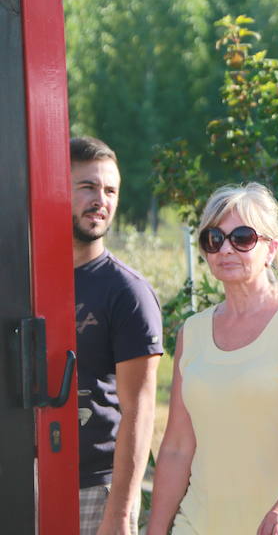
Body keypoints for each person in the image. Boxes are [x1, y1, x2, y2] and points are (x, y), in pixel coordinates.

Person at [147, 183, 278, 535]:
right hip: (200, 524)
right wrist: (156, 529)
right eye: (214, 239)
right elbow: (176, 448)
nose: (226, 249)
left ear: (271, 249)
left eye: (243, 238)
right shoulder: (193, 332)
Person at [71, 137, 163, 535]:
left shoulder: (128, 292)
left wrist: (120, 513)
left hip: (96, 487)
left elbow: (140, 409)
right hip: (21, 477)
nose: (101, 201)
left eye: (110, 191)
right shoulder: (21, 281)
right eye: (88, 187)